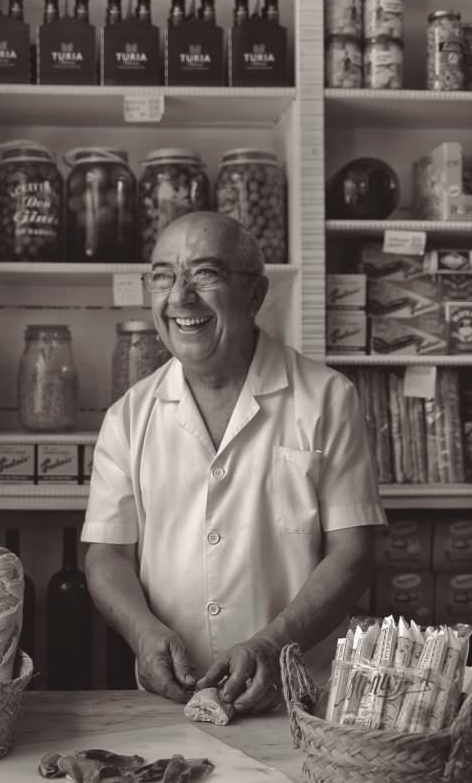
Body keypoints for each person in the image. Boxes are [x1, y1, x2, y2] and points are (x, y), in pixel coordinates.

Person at [81, 211, 386, 713]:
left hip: (300, 698)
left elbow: (353, 552)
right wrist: (143, 632)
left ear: (256, 294)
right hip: (172, 694)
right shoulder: (128, 417)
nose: (179, 296)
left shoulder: (327, 398)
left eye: (205, 273)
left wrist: (273, 644)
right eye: (163, 277)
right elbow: (107, 555)